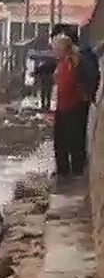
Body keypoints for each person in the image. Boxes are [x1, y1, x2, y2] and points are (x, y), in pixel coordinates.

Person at [52, 34, 92, 180]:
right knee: (60, 141)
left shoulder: (74, 62)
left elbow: (74, 82)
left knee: (74, 140)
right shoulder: (63, 62)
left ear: (63, 49)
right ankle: (63, 170)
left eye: (56, 49)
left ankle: (76, 170)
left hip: (75, 105)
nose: (54, 52)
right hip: (63, 105)